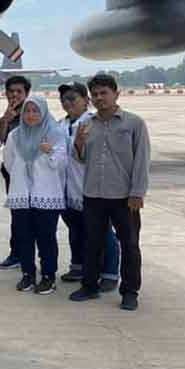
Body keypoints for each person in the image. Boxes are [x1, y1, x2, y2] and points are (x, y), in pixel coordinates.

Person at [68, 74, 150, 311]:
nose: (99, 98)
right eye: (95, 94)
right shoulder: (86, 125)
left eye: (104, 93)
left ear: (116, 94)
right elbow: (79, 158)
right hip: (93, 194)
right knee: (92, 242)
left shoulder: (133, 123)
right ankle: (90, 285)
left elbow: (142, 160)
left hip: (124, 196)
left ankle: (130, 291)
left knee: (130, 244)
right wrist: (80, 143)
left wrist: (137, 193)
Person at [3, 96, 68, 295]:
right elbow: (8, 162)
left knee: (46, 237)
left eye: (36, 111)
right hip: (21, 195)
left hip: (46, 194)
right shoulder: (15, 135)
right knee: (23, 237)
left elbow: (62, 163)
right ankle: (28, 274)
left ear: (44, 112)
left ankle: (48, 276)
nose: (31, 115)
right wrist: (23, 177)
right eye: (27, 111)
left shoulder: (54, 133)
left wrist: (49, 153)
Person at [57, 82, 119, 290]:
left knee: (103, 232)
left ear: (86, 100)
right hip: (67, 189)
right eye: (64, 99)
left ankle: (110, 273)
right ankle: (79, 266)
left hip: (91, 188)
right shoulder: (60, 125)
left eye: (72, 98)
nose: (68, 103)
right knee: (75, 229)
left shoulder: (93, 123)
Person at [0, 75, 32, 270]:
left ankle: (30, 255)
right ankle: (17, 253)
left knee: (33, 216)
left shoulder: (35, 113)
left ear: (27, 94)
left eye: (19, 91)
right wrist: (4, 121)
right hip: (12, 174)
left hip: (32, 174)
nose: (15, 95)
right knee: (17, 215)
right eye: (11, 91)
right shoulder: (8, 115)